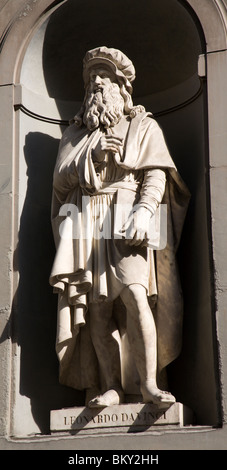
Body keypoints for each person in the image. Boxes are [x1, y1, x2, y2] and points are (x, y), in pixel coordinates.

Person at [50, 46, 190, 408]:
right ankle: (109, 386)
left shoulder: (143, 125)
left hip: (127, 213)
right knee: (97, 307)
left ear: (120, 86)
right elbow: (60, 182)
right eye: (92, 80)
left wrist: (145, 209)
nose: (96, 83)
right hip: (87, 218)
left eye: (104, 78)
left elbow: (156, 172)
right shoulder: (76, 135)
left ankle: (148, 383)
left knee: (134, 295)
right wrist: (91, 156)